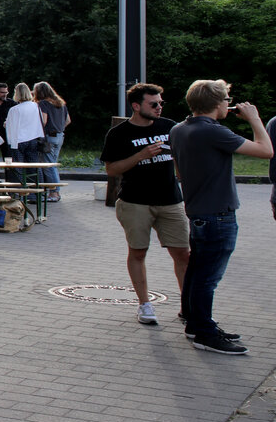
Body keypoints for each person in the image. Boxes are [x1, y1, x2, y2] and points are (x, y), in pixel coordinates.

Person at [171, 80, 273, 354]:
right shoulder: (213, 131)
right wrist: (255, 119)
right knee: (208, 278)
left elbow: (179, 172)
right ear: (217, 104)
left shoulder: (179, 129)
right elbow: (267, 151)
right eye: (227, 99)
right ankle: (204, 333)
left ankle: (196, 324)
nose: (229, 103)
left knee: (196, 271)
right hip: (218, 215)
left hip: (198, 212)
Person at [100, 83, 189, 326]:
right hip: (135, 202)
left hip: (170, 200)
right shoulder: (119, 134)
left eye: (161, 103)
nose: (159, 107)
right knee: (138, 252)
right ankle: (144, 304)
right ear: (136, 106)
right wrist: (141, 155)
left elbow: (180, 158)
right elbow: (111, 169)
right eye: (154, 104)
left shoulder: (170, 127)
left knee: (183, 253)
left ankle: (189, 305)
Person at [34, 81, 70, 199]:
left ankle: (54, 192)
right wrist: (59, 128)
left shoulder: (43, 103)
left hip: (49, 137)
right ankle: (54, 191)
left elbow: (43, 121)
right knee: (53, 163)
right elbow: (68, 120)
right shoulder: (61, 103)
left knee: (48, 165)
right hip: (60, 136)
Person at [4, 83, 44, 184]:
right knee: (34, 166)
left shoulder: (15, 109)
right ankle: (36, 191)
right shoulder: (36, 106)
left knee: (18, 167)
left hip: (18, 141)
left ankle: (19, 191)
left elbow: (10, 126)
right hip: (33, 138)